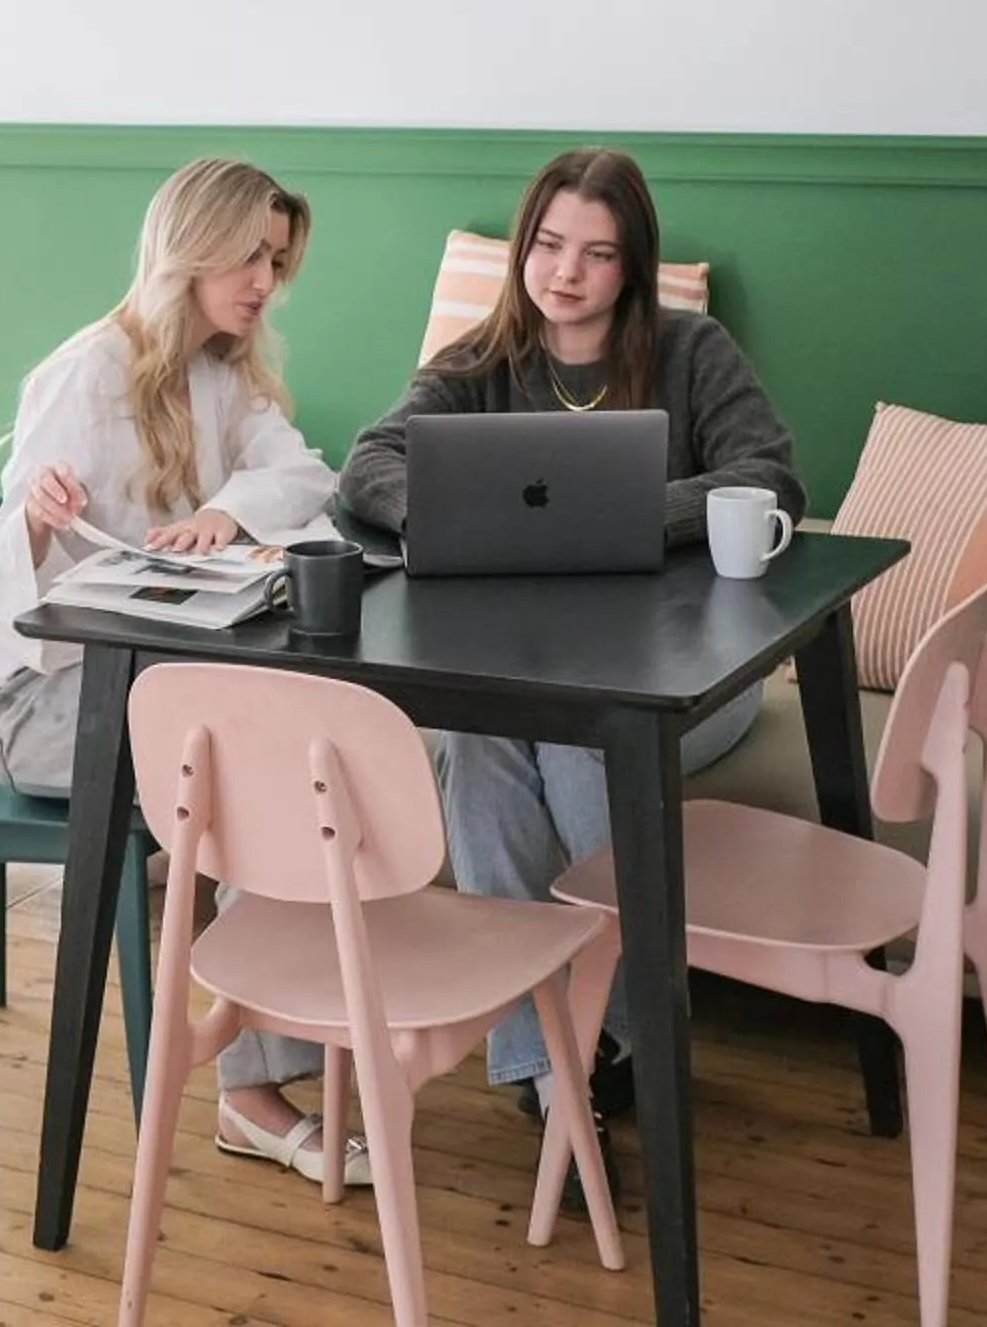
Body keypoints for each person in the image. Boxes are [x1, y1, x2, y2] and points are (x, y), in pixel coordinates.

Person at [337, 145, 803, 1159]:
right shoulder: (480, 360)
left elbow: (770, 476)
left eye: (595, 253)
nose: (565, 272)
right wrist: (452, 508)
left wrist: (621, 512)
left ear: (631, 266)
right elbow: (368, 462)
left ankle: (611, 1030)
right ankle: (556, 1062)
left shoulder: (693, 349)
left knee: (577, 740)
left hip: (690, 672)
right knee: (483, 735)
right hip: (523, 671)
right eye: (548, 245)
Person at [0, 157, 366, 1185]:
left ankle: (275, 1051)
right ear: (191, 245)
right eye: (250, 253)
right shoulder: (83, 373)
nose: (266, 278)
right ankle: (250, 1089)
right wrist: (40, 527)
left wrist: (226, 513)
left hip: (147, 689)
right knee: (245, 771)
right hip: (39, 699)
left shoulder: (226, 376)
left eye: (278, 258)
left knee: (292, 751)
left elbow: (308, 472)